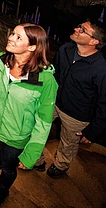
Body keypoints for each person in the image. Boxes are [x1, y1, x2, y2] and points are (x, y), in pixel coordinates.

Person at [0, 23, 58, 206]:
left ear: (32, 47)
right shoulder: (1, 61)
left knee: (9, 168)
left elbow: (43, 120)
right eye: (12, 34)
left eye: (18, 37)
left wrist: (32, 152)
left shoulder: (44, 80)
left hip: (17, 133)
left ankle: (2, 189)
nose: (10, 38)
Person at [42, 20, 106, 179]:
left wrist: (92, 132)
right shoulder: (65, 49)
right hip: (54, 102)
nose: (76, 29)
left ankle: (60, 166)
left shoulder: (101, 68)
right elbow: (54, 76)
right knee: (37, 128)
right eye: (78, 26)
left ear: (94, 41)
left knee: (68, 143)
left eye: (82, 29)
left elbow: (103, 103)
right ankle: (36, 158)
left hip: (77, 115)